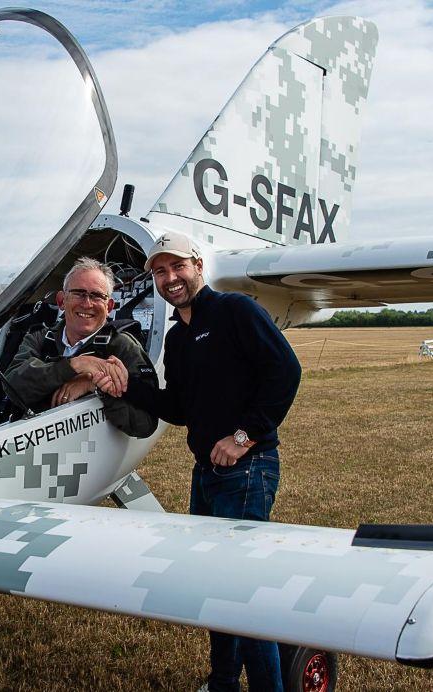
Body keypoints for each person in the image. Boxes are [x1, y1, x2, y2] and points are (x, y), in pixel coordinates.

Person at [105, 232, 301, 692]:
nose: (169, 278)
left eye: (178, 266)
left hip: (247, 471)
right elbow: (179, 407)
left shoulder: (236, 310)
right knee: (214, 584)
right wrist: (125, 384)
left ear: (197, 266)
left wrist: (244, 436)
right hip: (206, 474)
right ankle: (224, 682)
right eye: (160, 271)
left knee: (242, 590)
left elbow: (286, 371)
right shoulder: (178, 337)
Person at [3, 258, 158, 438]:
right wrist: (76, 365)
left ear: (109, 307)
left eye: (97, 296)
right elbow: (13, 387)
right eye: (79, 293)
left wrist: (97, 386)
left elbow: (145, 425)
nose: (87, 304)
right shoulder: (40, 338)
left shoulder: (123, 347)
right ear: (61, 301)